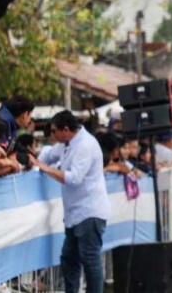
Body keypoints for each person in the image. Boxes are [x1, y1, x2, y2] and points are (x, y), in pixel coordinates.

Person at [31, 111, 110, 293]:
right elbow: (47, 156)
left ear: (65, 130)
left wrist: (46, 169)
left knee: (89, 259)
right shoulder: (67, 143)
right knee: (69, 258)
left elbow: (74, 178)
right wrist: (35, 162)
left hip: (90, 212)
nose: (52, 136)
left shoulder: (85, 145)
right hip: (74, 214)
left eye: (53, 131)